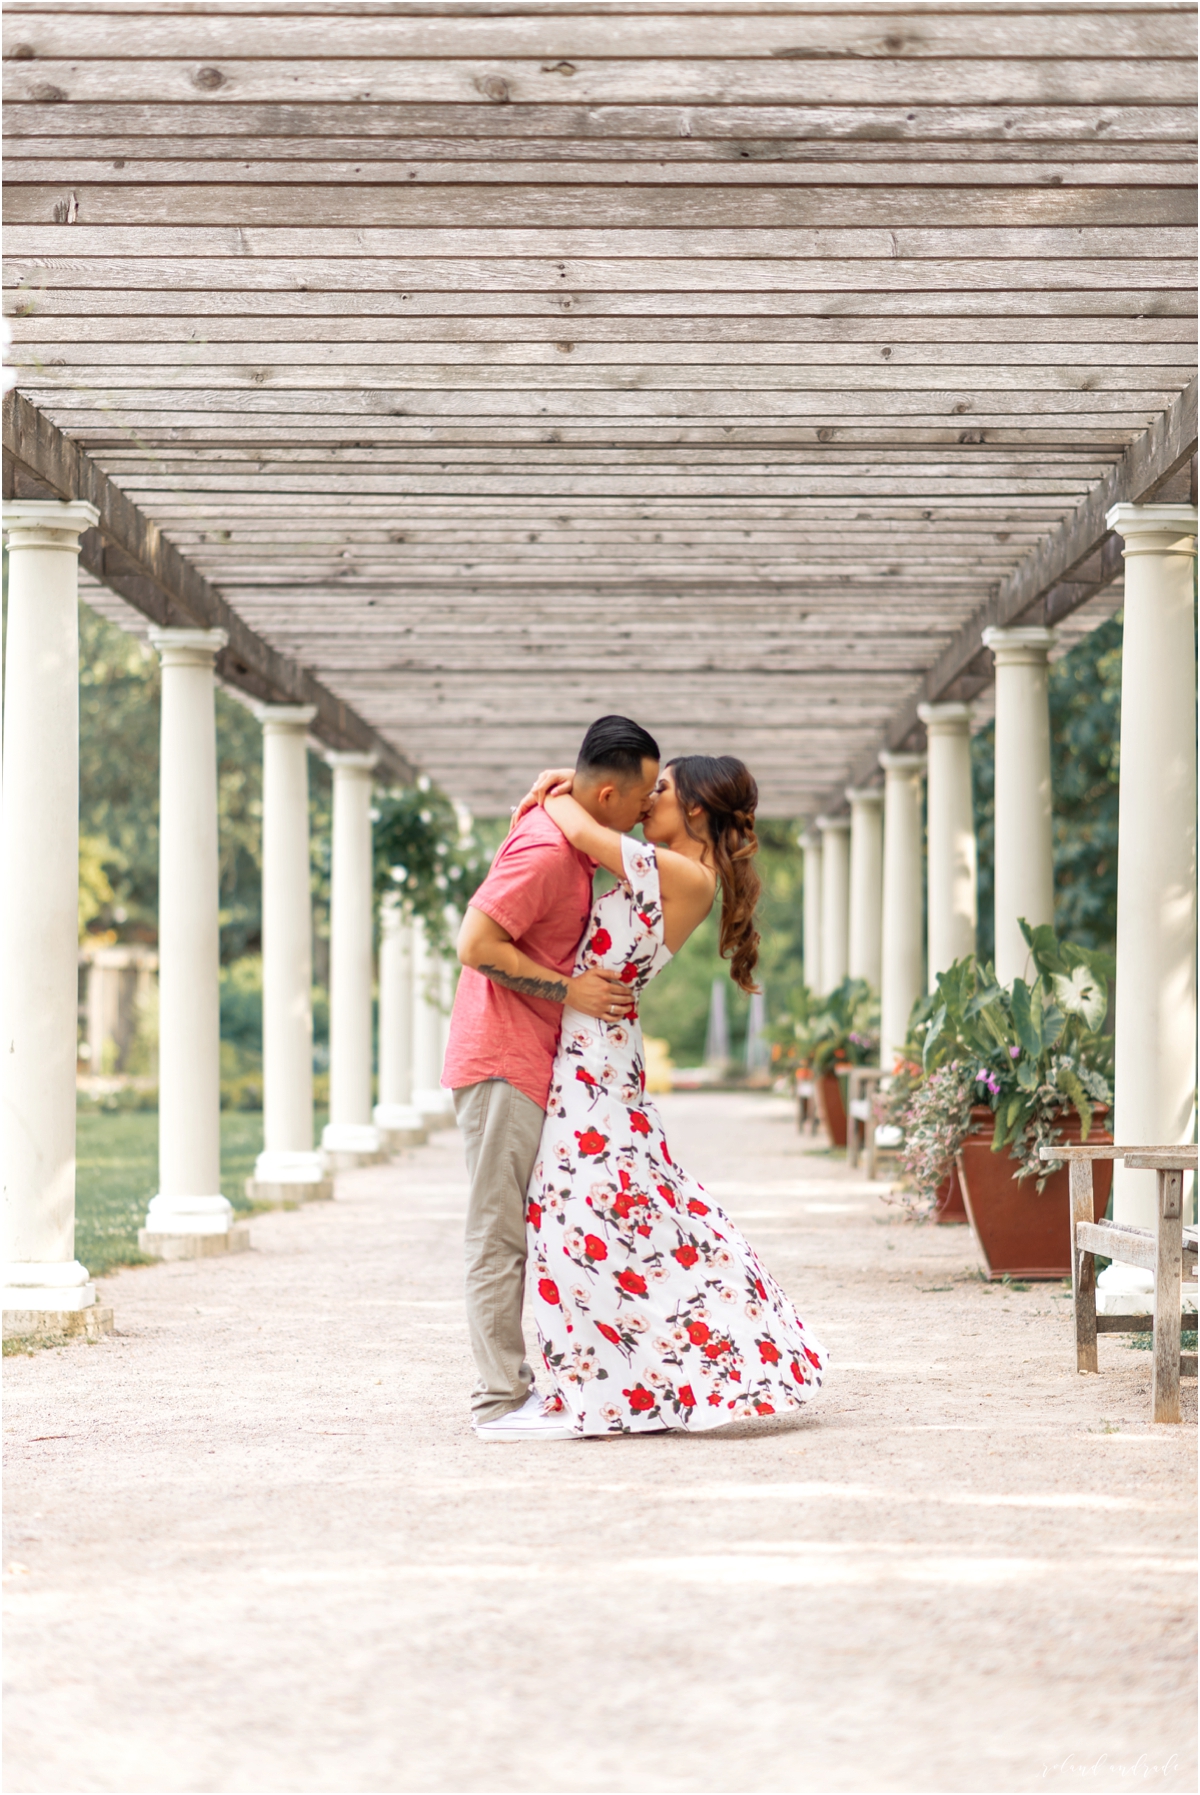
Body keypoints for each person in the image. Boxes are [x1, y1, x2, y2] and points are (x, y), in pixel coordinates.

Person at [514, 753, 826, 1437]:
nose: (646, 798)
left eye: (661, 790)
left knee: (581, 1222)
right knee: (610, 1213)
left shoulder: (687, 876)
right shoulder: (662, 868)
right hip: (593, 1049)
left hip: (594, 1057)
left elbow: (584, 832)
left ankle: (631, 1380)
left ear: (694, 811)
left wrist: (550, 788)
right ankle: (632, 1380)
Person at [445, 715, 661, 1441]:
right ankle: (499, 1402)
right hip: (502, 1060)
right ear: (607, 795)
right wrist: (570, 989)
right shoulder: (545, 851)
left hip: (525, 1062)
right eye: (643, 795)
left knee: (516, 1230)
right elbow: (474, 943)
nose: (649, 809)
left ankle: (518, 1389)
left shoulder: (569, 842)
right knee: (497, 1233)